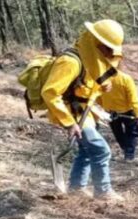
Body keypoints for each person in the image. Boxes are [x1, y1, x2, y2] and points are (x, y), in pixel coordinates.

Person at [42, 19, 124, 200]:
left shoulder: (91, 60)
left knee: (86, 151)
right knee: (101, 150)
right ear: (95, 41)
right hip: (70, 113)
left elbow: (84, 85)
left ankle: (76, 188)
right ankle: (103, 192)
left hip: (84, 112)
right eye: (107, 47)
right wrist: (69, 123)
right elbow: (50, 93)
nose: (110, 53)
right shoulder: (70, 62)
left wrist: (101, 87)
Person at [97, 64, 138, 162]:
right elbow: (133, 98)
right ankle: (129, 155)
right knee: (133, 133)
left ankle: (126, 152)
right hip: (128, 112)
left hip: (111, 112)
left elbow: (97, 97)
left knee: (118, 133)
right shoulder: (125, 78)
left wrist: (104, 107)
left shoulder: (100, 79)